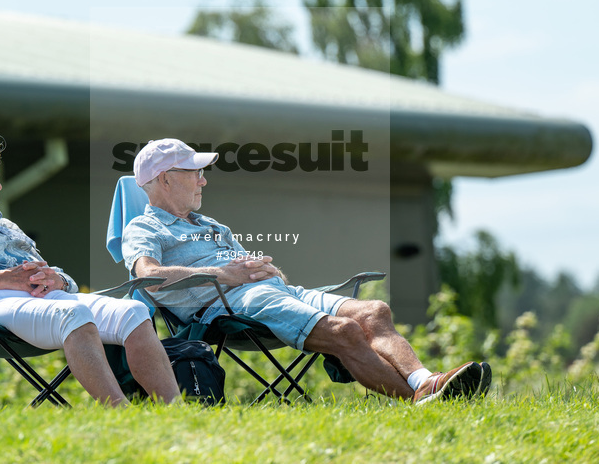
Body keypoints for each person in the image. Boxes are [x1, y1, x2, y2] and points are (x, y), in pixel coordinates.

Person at [122, 138, 492, 404]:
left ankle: (427, 381)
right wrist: (226, 276)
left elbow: (249, 270)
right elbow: (148, 275)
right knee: (345, 331)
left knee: (373, 311)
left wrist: (265, 269)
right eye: (195, 172)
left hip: (273, 292)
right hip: (226, 308)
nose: (203, 179)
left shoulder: (213, 224)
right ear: (166, 179)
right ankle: (422, 399)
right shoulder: (145, 228)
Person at [0, 119, 180, 407]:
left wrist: (56, 280)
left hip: (45, 301)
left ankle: (176, 411)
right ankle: (120, 412)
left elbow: (64, 281)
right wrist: (4, 279)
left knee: (134, 311)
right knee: (72, 313)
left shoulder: (6, 227)